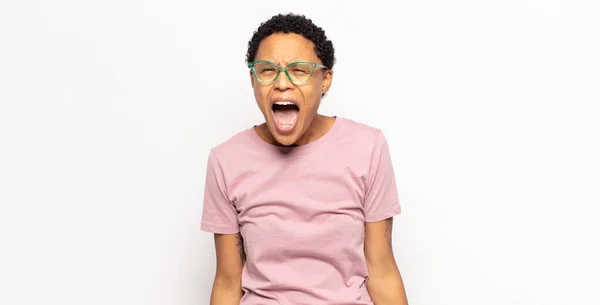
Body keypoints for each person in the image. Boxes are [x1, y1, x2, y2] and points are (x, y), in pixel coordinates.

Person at [201, 13, 408, 305]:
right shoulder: (226, 161)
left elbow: (382, 270)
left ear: (325, 80)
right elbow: (227, 281)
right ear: (253, 80)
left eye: (299, 70)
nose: (282, 83)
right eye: (268, 70)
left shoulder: (368, 147)